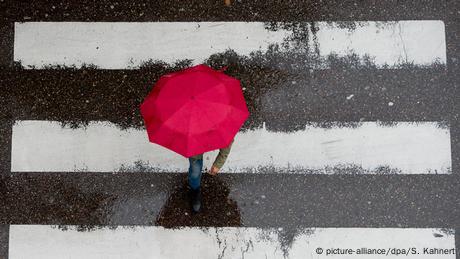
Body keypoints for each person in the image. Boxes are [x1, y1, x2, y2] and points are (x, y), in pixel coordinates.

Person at [188, 138, 234, 213]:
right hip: (194, 142)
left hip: (209, 132)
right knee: (195, 171)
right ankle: (195, 190)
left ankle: (195, 190)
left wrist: (219, 163)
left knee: (195, 170)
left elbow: (227, 138)